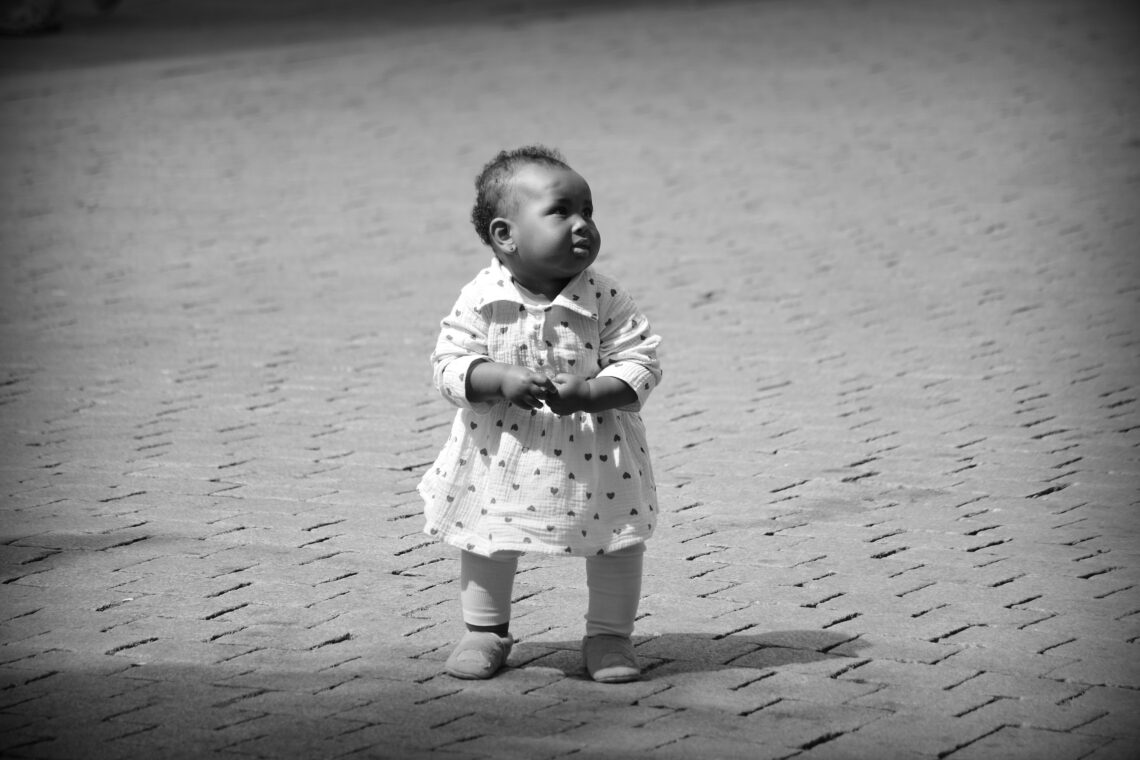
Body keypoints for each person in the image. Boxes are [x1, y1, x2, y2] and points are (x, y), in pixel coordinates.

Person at [418, 146, 663, 683]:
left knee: (616, 540)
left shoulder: (604, 295)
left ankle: (609, 637)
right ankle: (485, 630)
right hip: (502, 451)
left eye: (589, 211)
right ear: (506, 235)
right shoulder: (482, 297)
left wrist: (595, 390)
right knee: (487, 535)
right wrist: (497, 378)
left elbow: (641, 360)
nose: (583, 225)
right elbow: (447, 365)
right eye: (561, 212)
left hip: (599, 452)